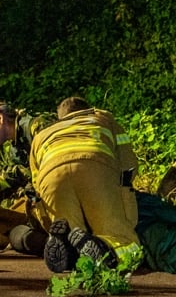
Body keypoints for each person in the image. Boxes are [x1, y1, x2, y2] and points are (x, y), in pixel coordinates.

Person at [31, 95, 141, 266]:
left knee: (74, 234)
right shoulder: (103, 119)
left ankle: (67, 248)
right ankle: (105, 249)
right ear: (87, 109)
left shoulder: (42, 135)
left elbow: (36, 183)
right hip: (94, 167)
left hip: (51, 177)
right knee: (125, 242)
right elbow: (129, 164)